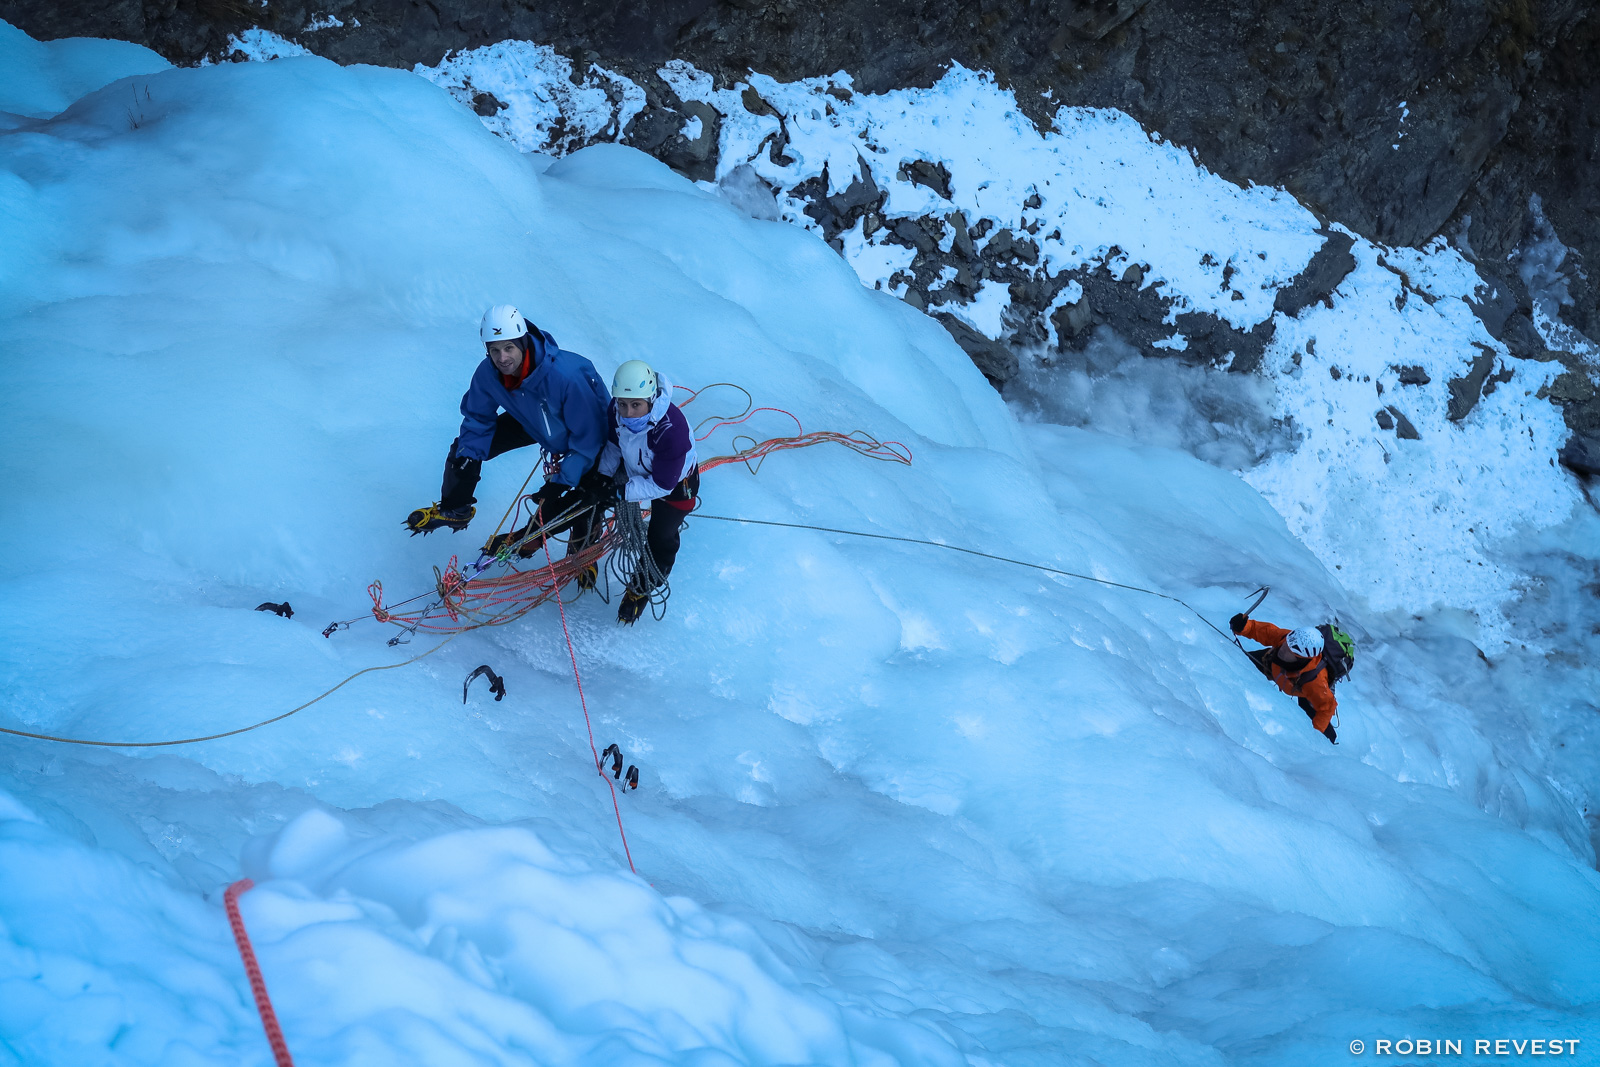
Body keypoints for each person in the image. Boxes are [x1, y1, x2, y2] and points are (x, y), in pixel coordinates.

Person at [405, 305, 614, 560]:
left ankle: (581, 556)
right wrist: (469, 458)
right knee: (464, 450)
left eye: (508, 348)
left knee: (582, 496)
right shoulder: (489, 374)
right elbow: (478, 417)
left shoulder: (566, 376)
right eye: (494, 350)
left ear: (523, 343)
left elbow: (588, 439)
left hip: (587, 436)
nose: (502, 358)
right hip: (533, 422)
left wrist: (560, 482)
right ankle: (456, 509)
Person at [597, 360, 699, 624]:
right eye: (622, 404)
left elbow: (661, 485)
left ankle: (641, 587)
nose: (628, 413)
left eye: (636, 405)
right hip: (635, 466)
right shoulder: (616, 411)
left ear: (651, 400)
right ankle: (583, 547)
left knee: (661, 538)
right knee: (592, 498)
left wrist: (620, 493)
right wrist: (601, 477)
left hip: (677, 485)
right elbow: (612, 444)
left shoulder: (670, 432)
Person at [1230, 615, 1339, 744]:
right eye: (1286, 645)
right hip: (1272, 664)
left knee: (1321, 729)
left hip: (1301, 688)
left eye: (1290, 651)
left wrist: (1315, 738)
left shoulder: (1315, 682)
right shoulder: (1288, 640)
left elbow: (1326, 708)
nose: (1283, 650)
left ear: (1302, 658)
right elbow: (1265, 631)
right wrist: (1243, 626)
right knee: (1234, 660)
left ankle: (1330, 745)